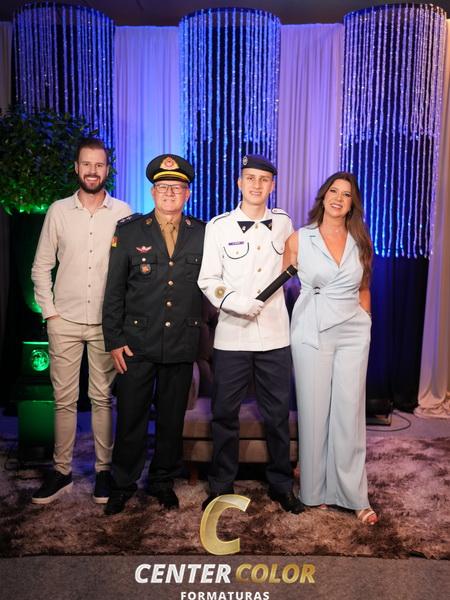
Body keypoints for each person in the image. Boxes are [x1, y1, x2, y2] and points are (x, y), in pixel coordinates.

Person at [198, 154, 304, 514]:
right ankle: (221, 486)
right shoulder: (219, 226)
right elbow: (207, 279)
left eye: (264, 179)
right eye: (250, 178)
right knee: (224, 414)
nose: (257, 185)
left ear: (272, 185)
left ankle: (281, 485)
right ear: (239, 183)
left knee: (277, 415)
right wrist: (237, 304)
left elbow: (295, 263)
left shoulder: (284, 222)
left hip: (275, 335)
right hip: (232, 335)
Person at [102, 154, 205, 515]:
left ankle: (162, 481)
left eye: (177, 187)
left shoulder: (202, 233)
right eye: (163, 187)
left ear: (187, 193)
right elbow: (114, 289)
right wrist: (114, 339)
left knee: (171, 419)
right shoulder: (130, 231)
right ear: (152, 192)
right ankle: (122, 484)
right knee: (130, 417)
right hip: (137, 343)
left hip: (181, 341)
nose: (170, 193)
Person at [31, 137, 131, 505]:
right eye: (86, 164)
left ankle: (104, 471)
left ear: (107, 169)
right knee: (64, 400)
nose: (92, 171)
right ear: (76, 168)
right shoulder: (58, 211)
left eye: (99, 165)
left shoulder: (123, 212)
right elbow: (41, 266)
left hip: (106, 323)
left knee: (103, 398)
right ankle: (62, 472)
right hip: (65, 320)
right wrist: (50, 313)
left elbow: (130, 269)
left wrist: (122, 318)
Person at [283, 171, 378, 525]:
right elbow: (280, 285)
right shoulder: (299, 239)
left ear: (353, 204)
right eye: (333, 191)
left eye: (346, 194)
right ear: (323, 196)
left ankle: (354, 496)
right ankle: (314, 490)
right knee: (314, 410)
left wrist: (366, 322)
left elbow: (364, 287)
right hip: (312, 330)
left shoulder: (360, 240)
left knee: (350, 412)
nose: (338, 198)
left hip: (353, 330)